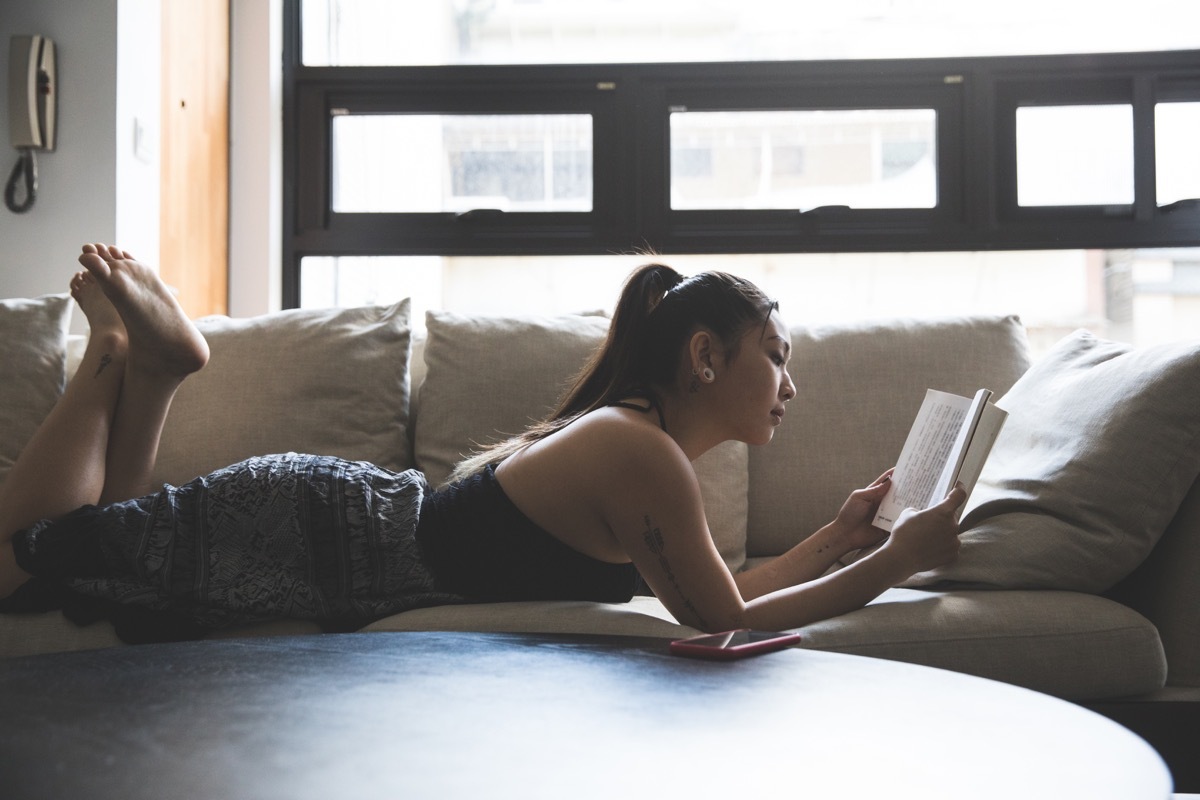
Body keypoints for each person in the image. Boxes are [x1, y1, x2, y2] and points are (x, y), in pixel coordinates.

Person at [0, 243, 965, 642]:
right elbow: (721, 624)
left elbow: (722, 596)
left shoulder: (644, 448)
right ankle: (118, 356)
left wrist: (845, 537)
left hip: (327, 529)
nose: (792, 385)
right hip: (314, 534)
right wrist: (897, 561)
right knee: (26, 557)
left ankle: (148, 367)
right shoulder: (643, 453)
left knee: (96, 560)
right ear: (706, 356)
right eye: (776, 356)